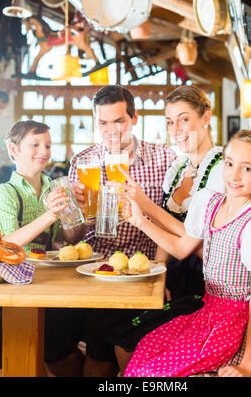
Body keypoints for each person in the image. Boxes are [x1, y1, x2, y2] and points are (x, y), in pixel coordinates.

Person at [120, 129, 251, 377]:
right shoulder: (210, 203)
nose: (234, 175)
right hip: (208, 312)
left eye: (247, 169)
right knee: (144, 348)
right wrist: (140, 221)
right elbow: (180, 248)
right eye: (229, 164)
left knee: (149, 373)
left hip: (234, 326)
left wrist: (246, 365)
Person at [69, 85, 177, 376]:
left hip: (145, 271)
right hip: (94, 270)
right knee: (56, 339)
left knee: (101, 336)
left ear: (134, 119)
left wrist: (162, 271)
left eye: (119, 121)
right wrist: (78, 212)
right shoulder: (83, 162)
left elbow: (171, 221)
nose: (111, 130)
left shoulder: (164, 159)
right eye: (103, 123)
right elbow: (72, 238)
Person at [0, 120, 87, 377]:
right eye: (34, 145)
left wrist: (78, 214)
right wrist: (50, 215)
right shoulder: (6, 192)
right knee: (10, 348)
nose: (43, 151)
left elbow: (71, 238)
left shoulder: (54, 187)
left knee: (60, 342)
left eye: (47, 145)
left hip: (45, 284)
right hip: (7, 288)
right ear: (14, 149)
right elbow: (7, 245)